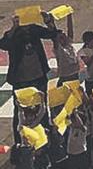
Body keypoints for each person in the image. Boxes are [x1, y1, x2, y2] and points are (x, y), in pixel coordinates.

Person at [0, 14, 59, 144]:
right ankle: (20, 143)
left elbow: (52, 33)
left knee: (42, 109)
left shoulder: (34, 29)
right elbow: (3, 44)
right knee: (20, 112)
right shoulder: (13, 34)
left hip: (38, 77)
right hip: (21, 80)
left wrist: (49, 21)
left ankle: (45, 141)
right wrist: (14, 28)